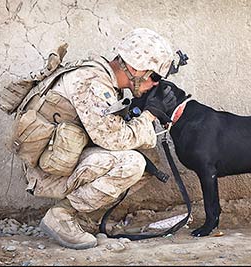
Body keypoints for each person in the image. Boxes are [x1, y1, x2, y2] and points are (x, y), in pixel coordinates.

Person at [33, 28, 178, 250]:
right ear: (135, 68)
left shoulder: (104, 79)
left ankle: (76, 213)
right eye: (154, 77)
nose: (155, 84)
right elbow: (115, 139)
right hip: (47, 171)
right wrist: (149, 115)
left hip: (63, 156)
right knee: (133, 163)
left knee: (150, 163)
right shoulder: (92, 83)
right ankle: (62, 216)